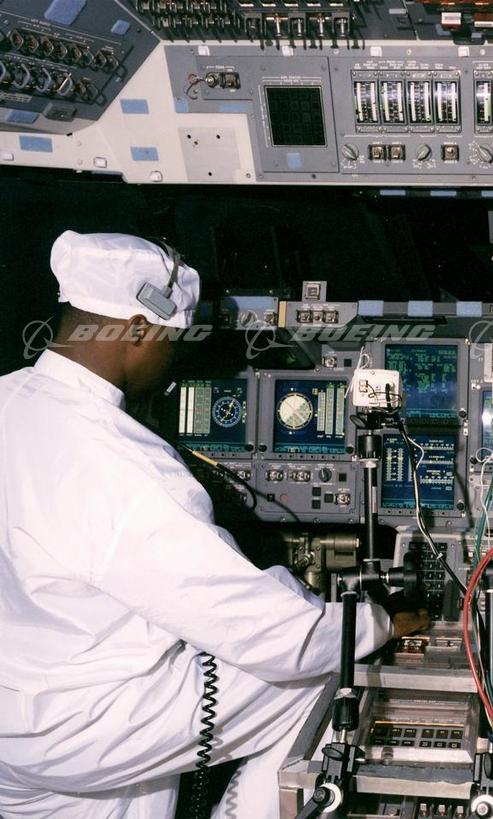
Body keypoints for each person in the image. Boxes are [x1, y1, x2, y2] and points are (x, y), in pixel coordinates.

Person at [0, 232, 427, 818]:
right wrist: (377, 622)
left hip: (15, 731)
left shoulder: (9, 401)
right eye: (172, 341)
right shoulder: (124, 463)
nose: (172, 361)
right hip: (84, 727)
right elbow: (274, 637)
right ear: (138, 330)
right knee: (322, 676)